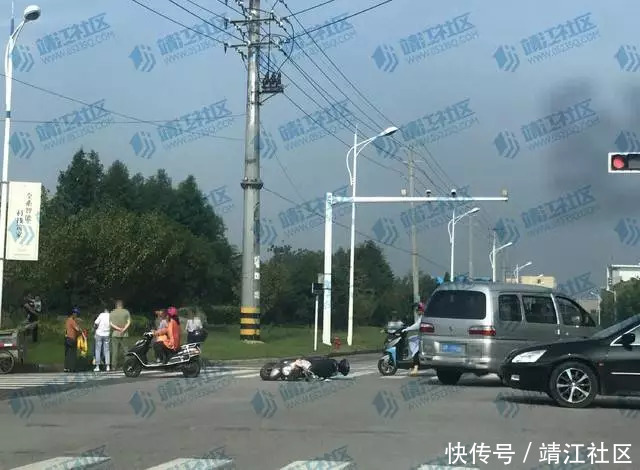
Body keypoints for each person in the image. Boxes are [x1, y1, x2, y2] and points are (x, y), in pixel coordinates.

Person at [402, 301, 426, 376]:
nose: (416, 311)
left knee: (416, 352)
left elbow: (417, 326)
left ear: (421, 309)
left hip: (424, 338)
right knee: (411, 339)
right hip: (421, 336)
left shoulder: (423, 317)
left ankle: (415, 369)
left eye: (418, 309)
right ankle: (412, 365)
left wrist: (407, 329)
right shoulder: (421, 317)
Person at [110, 300, 131, 369]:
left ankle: (114, 366)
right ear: (122, 305)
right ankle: (128, 365)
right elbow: (128, 322)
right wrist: (123, 329)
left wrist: (118, 329)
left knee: (115, 351)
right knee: (126, 350)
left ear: (116, 305)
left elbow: (111, 324)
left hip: (115, 334)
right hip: (124, 334)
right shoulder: (126, 312)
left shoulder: (112, 312)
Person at [64, 307, 82, 372]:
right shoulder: (72, 321)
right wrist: (79, 325)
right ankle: (72, 367)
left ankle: (66, 367)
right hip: (72, 339)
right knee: (73, 353)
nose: (77, 316)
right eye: (76, 314)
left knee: (67, 354)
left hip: (67, 338)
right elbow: (77, 329)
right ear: (74, 314)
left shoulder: (68, 320)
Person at [93, 307, 111, 372]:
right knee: (107, 350)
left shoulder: (101, 315)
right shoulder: (110, 316)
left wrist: (95, 329)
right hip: (107, 334)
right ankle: (108, 366)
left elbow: (96, 323)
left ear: (104, 310)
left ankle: (97, 366)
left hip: (99, 334)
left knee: (98, 350)